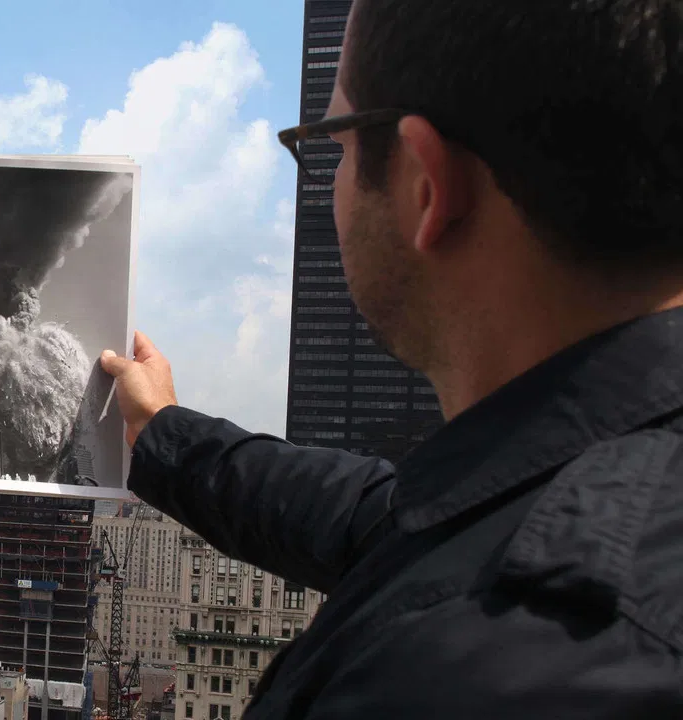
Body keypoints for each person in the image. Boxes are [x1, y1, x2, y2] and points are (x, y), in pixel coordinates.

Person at [100, 1, 683, 718]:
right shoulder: (589, 482)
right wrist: (161, 426)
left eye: (335, 142)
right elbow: (381, 513)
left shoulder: (464, 671)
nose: (333, 179)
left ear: (424, 183)